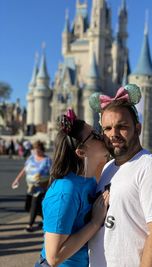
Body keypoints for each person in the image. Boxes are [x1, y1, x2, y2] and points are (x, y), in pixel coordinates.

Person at [88, 84, 152, 267]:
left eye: (122, 127)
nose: (113, 134)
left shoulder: (151, 167)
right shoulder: (108, 168)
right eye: (107, 128)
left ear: (137, 128)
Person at [34, 108, 109, 267]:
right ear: (81, 152)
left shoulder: (88, 180)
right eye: (95, 135)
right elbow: (53, 257)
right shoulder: (65, 192)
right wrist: (95, 223)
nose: (102, 136)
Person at [12, 140, 52, 232]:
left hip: (41, 188)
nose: (36, 152)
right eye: (34, 150)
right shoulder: (31, 158)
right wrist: (17, 179)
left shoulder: (47, 161)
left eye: (38, 150)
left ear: (42, 150)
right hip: (30, 187)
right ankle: (45, 220)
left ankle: (29, 224)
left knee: (34, 205)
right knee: (31, 206)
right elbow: (25, 169)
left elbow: (52, 174)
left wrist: (47, 184)